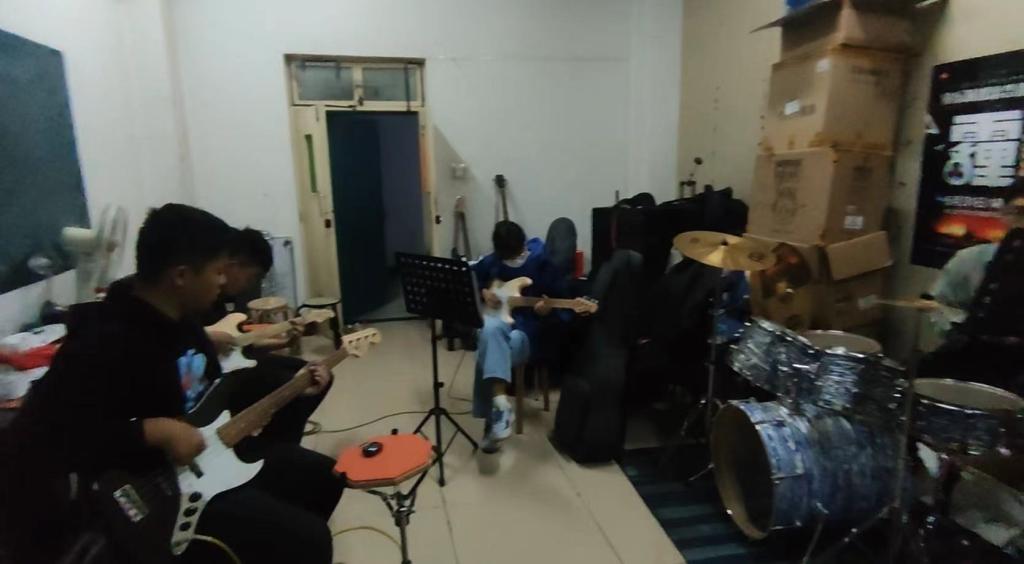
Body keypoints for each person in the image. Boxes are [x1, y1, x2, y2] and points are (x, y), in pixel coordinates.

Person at [3, 204, 342, 564]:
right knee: (310, 540)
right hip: (159, 491)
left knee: (325, 477)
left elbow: (215, 392)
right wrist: (151, 431)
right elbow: (49, 437)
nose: (223, 281)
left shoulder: (183, 319)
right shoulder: (103, 340)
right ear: (181, 276)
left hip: (211, 454)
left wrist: (294, 387)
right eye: (216, 271)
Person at [204, 227, 328, 454]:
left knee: (316, 373)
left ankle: (283, 444)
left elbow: (242, 344)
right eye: (252, 277)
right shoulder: (201, 295)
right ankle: (273, 451)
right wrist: (207, 338)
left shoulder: (224, 299)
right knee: (295, 382)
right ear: (234, 264)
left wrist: (286, 342)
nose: (250, 285)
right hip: (215, 380)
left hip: (234, 363)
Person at [472, 221, 581, 453]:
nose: (511, 261)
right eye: (506, 258)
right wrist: (484, 292)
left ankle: (493, 422)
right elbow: (476, 275)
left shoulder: (543, 264)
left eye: (515, 256)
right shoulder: (493, 261)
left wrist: (546, 312)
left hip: (528, 334)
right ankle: (500, 407)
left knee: (486, 344)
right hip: (500, 325)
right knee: (489, 332)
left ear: (523, 245)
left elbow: (563, 309)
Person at [919, 187, 1024, 393]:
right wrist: (959, 328)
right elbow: (941, 304)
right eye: (1019, 212)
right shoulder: (970, 259)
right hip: (972, 353)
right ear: (1004, 214)